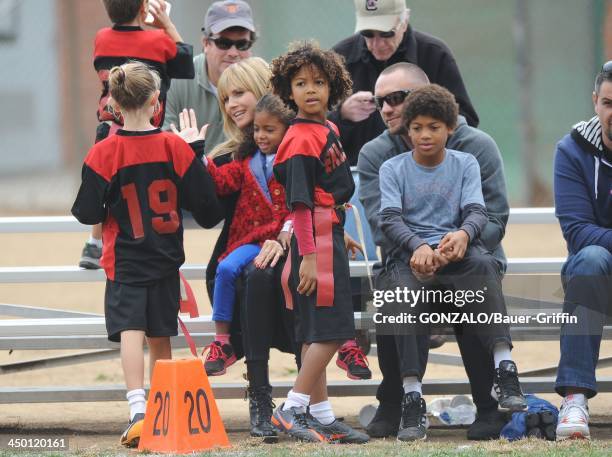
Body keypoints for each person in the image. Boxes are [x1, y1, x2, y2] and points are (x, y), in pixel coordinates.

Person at [71, 62, 222, 447]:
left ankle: (138, 408)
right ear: (157, 100)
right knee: (160, 335)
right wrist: (196, 153)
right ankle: (160, 407)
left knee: (130, 332)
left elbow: (86, 212)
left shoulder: (105, 151)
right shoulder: (174, 146)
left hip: (124, 259)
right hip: (166, 257)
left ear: (115, 106)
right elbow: (208, 209)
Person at [357, 62, 510, 440]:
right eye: (381, 102)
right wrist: (423, 250)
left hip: (473, 256)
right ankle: (397, 402)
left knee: (471, 280)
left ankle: (489, 405)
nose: (389, 109)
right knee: (397, 291)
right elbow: (382, 224)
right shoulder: (376, 155)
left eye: (398, 99)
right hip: (407, 258)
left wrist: (456, 245)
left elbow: (495, 217)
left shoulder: (477, 147)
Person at [175, 57, 298, 442]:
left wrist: (288, 236)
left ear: (265, 91)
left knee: (272, 280)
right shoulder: (231, 154)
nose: (231, 104)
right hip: (242, 253)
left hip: (294, 249)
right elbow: (208, 211)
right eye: (226, 97)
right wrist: (194, 156)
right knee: (246, 276)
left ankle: (304, 402)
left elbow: (319, 196)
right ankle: (259, 396)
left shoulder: (297, 142)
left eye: (240, 93)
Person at [269, 42, 369, 444]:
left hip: (327, 233)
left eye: (320, 82)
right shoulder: (299, 139)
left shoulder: (326, 128)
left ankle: (322, 415)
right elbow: (300, 204)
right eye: (300, 83)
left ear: (333, 87)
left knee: (318, 332)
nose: (311, 90)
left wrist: (338, 230)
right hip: (315, 245)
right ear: (286, 91)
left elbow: (324, 193)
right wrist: (309, 256)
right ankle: (292, 408)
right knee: (332, 330)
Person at [79, 0, 195, 270]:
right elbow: (185, 64)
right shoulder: (157, 41)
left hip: (109, 129)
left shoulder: (101, 38)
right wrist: (166, 24)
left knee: (104, 187)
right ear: (144, 8)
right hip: (146, 131)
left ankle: (94, 244)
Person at [195, 94, 293, 377]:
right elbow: (221, 181)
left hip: (284, 242)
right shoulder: (246, 161)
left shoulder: (294, 162)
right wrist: (200, 154)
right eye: (257, 130)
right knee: (225, 268)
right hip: (250, 239)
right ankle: (223, 339)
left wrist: (287, 232)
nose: (261, 136)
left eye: (270, 130)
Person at [330, 0, 478, 164]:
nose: (377, 43)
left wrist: (422, 118)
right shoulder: (340, 58)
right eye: (368, 34)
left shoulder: (434, 54)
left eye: (386, 33)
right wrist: (342, 114)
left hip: (428, 169)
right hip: (359, 170)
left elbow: (465, 119)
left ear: (405, 21)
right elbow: (310, 125)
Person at [553, 61, 612, 441]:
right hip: (596, 278)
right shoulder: (572, 149)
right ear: (595, 102)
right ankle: (574, 399)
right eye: (609, 102)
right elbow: (577, 233)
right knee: (591, 259)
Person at [163, 0, 256, 155]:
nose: (233, 52)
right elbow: (164, 140)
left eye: (242, 45)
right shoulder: (179, 80)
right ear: (206, 43)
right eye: (223, 43)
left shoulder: (262, 80)